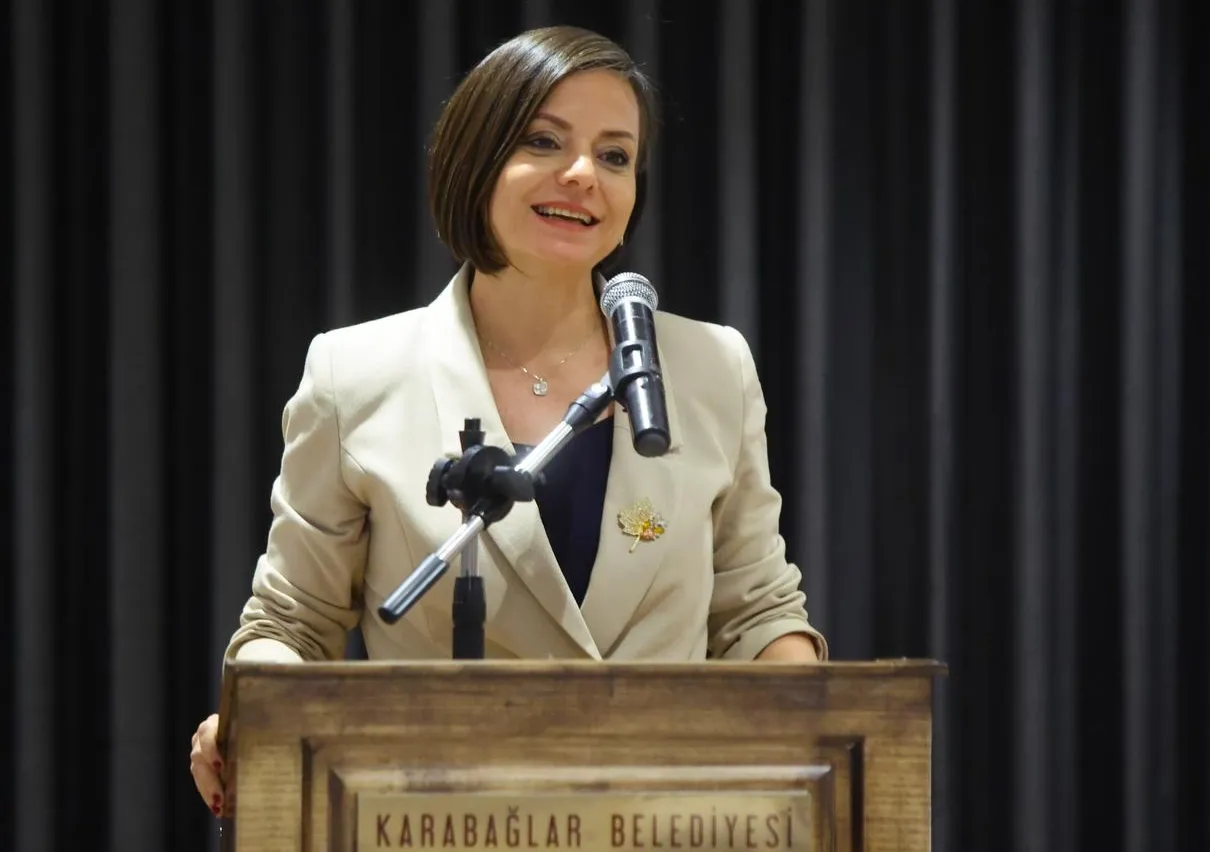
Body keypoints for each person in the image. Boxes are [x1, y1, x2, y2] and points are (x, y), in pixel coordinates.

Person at [189, 24, 827, 817]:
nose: (582, 174)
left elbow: (756, 610)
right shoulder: (355, 373)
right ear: (476, 159)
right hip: (436, 819)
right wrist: (255, 709)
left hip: (666, 819)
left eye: (614, 155)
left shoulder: (709, 366)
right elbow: (293, 621)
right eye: (543, 141)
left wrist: (822, 726)